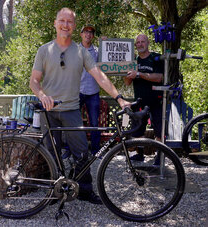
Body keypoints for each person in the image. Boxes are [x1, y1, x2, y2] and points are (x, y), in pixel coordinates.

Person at [30, 7, 130, 205]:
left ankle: (84, 190)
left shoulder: (81, 52)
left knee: (82, 152)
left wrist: (119, 97)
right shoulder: (44, 50)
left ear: (74, 26)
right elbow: (34, 81)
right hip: (48, 112)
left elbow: (99, 76)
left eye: (69, 22)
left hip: (71, 110)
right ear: (55, 23)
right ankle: (54, 191)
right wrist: (41, 95)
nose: (65, 25)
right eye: (62, 21)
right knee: (52, 153)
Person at [124, 34, 164, 165]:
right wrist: (129, 73)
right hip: (139, 101)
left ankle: (159, 157)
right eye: (138, 42)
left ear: (148, 43)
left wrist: (139, 74)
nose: (140, 44)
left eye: (143, 42)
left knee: (159, 130)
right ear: (135, 45)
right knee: (137, 129)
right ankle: (139, 154)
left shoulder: (155, 58)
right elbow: (127, 83)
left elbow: (159, 77)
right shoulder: (133, 60)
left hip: (156, 100)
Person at [79, 24, 100, 155]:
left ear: (93, 36)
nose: (88, 34)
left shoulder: (98, 51)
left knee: (94, 123)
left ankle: (96, 151)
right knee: (73, 121)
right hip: (77, 91)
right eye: (86, 32)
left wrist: (106, 43)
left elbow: (109, 62)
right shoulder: (74, 50)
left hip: (93, 92)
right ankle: (72, 150)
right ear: (81, 34)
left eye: (91, 32)